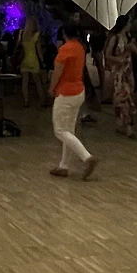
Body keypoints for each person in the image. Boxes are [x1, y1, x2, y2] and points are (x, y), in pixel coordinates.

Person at [49, 21, 96, 180]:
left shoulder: (65, 49)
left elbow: (57, 72)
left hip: (66, 92)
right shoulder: (80, 47)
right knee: (69, 130)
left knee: (60, 130)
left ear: (64, 34)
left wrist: (51, 88)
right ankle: (63, 166)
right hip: (78, 91)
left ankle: (87, 157)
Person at [103, 15, 137, 138]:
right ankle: (128, 127)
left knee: (127, 95)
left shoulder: (128, 37)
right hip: (118, 73)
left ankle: (120, 123)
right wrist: (118, 59)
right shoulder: (115, 38)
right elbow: (107, 54)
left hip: (127, 71)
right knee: (124, 97)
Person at [18, 13, 44, 108]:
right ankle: (42, 101)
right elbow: (39, 50)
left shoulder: (22, 34)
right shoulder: (37, 35)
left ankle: (26, 101)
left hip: (24, 60)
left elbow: (18, 46)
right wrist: (42, 61)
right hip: (33, 60)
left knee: (24, 83)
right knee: (38, 82)